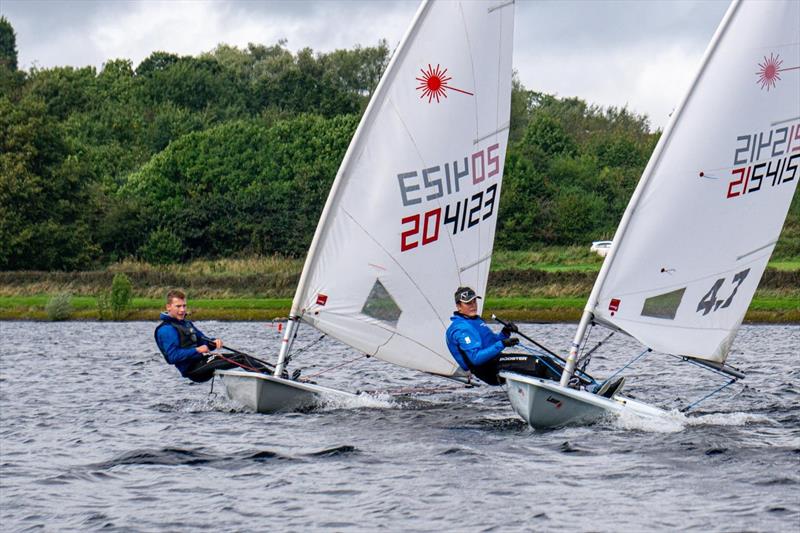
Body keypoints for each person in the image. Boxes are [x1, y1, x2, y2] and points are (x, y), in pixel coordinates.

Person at [445, 286, 538, 385]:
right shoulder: (459, 328)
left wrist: (505, 333)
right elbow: (475, 358)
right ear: (459, 306)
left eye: (474, 302)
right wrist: (502, 344)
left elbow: (492, 344)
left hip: (495, 362)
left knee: (542, 361)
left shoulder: (475, 321)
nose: (473, 306)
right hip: (487, 369)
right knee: (537, 364)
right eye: (468, 303)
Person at [154, 289, 237, 383]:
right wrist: (197, 350)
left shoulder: (186, 324)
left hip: (201, 361)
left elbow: (204, 342)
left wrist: (214, 342)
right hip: (192, 370)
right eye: (178, 306)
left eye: (184, 306)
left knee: (240, 357)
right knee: (239, 360)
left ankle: (255, 377)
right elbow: (172, 357)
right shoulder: (166, 329)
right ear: (168, 307)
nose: (182, 310)